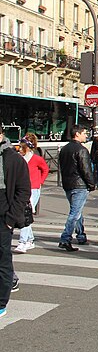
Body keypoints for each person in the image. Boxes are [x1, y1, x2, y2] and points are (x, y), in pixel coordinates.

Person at [0, 127, 31, 319]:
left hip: (3, 216)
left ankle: (1, 301)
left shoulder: (13, 158)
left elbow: (23, 191)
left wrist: (11, 219)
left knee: (2, 258)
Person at [58, 125, 96, 251]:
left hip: (68, 184)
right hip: (79, 185)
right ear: (77, 134)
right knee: (74, 213)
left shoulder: (64, 149)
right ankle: (65, 238)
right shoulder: (82, 150)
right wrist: (91, 184)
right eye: (84, 133)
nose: (86, 135)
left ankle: (81, 235)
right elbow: (86, 170)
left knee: (77, 211)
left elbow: (62, 167)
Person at [14, 134, 49, 253]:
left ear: (27, 148)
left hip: (33, 188)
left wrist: (40, 182)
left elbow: (45, 169)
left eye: (22, 147)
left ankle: (23, 241)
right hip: (22, 188)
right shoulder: (19, 158)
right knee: (26, 214)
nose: (20, 149)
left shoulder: (36, 159)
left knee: (25, 214)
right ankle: (30, 240)